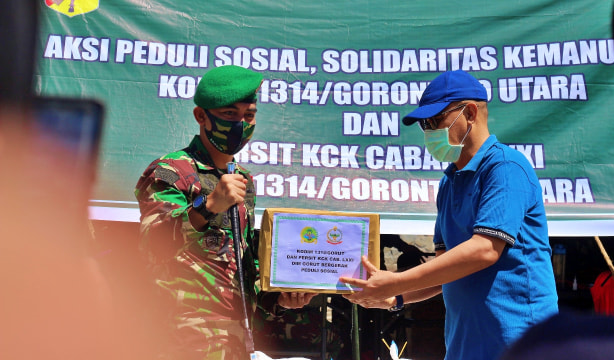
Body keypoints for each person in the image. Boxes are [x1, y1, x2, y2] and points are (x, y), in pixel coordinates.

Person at [339, 70, 558, 360]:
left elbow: (484, 250)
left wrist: (396, 281)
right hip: (465, 345)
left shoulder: (506, 167)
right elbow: (445, 268)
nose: (429, 132)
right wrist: (396, 297)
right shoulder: (450, 181)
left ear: (469, 112)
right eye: (424, 125)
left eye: (434, 121)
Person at [134, 65, 316, 360]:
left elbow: (243, 261)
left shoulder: (244, 180)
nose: (240, 124)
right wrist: (206, 205)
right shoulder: (171, 170)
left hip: (237, 337)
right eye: (230, 114)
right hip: (180, 333)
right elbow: (154, 239)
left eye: (249, 115)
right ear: (201, 116)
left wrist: (279, 296)